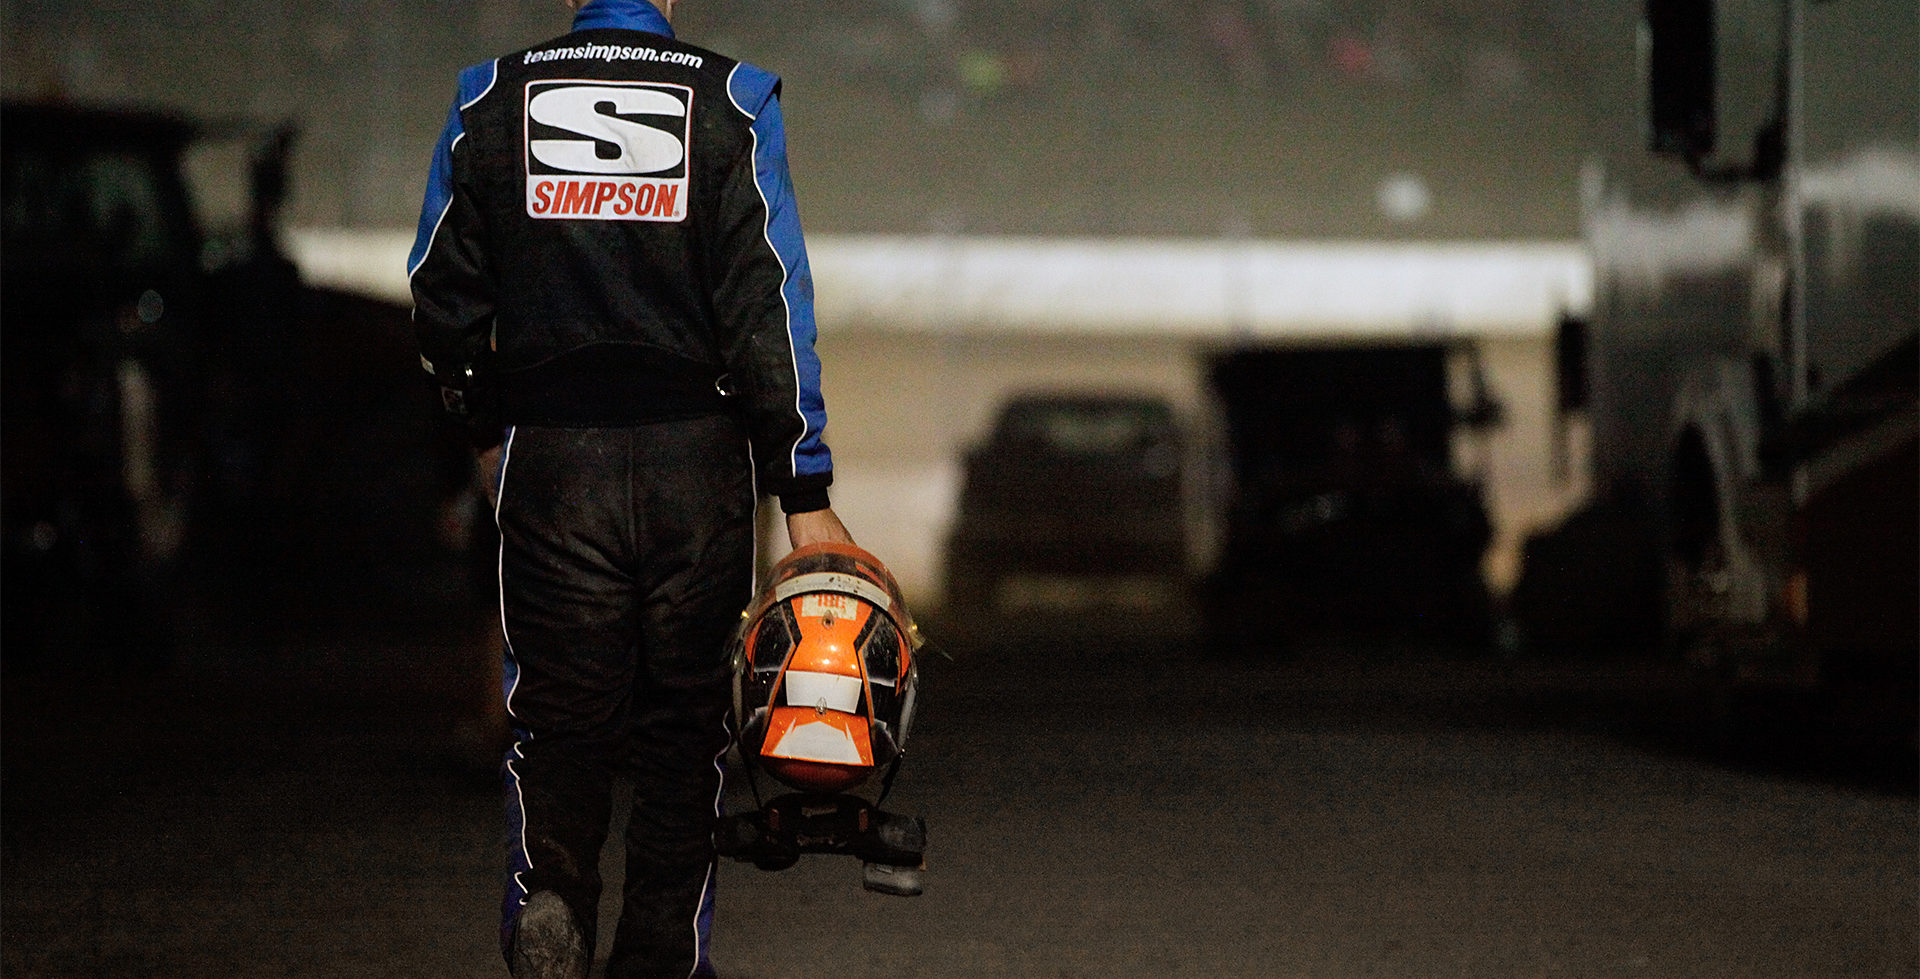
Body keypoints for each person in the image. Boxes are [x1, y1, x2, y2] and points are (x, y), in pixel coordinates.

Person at [407, 0, 853, 975]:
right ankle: (659, 958)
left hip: (556, 457)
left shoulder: (489, 97)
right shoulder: (732, 101)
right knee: (682, 733)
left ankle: (554, 900)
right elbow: (769, 302)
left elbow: (441, 290)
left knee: (557, 722)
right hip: (698, 460)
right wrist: (802, 481)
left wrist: (485, 427)